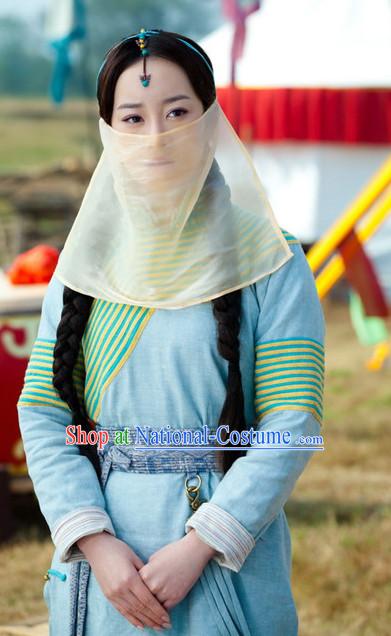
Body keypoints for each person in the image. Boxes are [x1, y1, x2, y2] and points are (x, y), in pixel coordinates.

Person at [17, 28, 325, 636]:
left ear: (210, 121)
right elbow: (44, 413)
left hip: (222, 557)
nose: (157, 137)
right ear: (110, 134)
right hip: (104, 561)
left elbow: (294, 422)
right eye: (132, 117)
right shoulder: (85, 266)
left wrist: (200, 546)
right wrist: (96, 544)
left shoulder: (271, 259)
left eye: (178, 112)